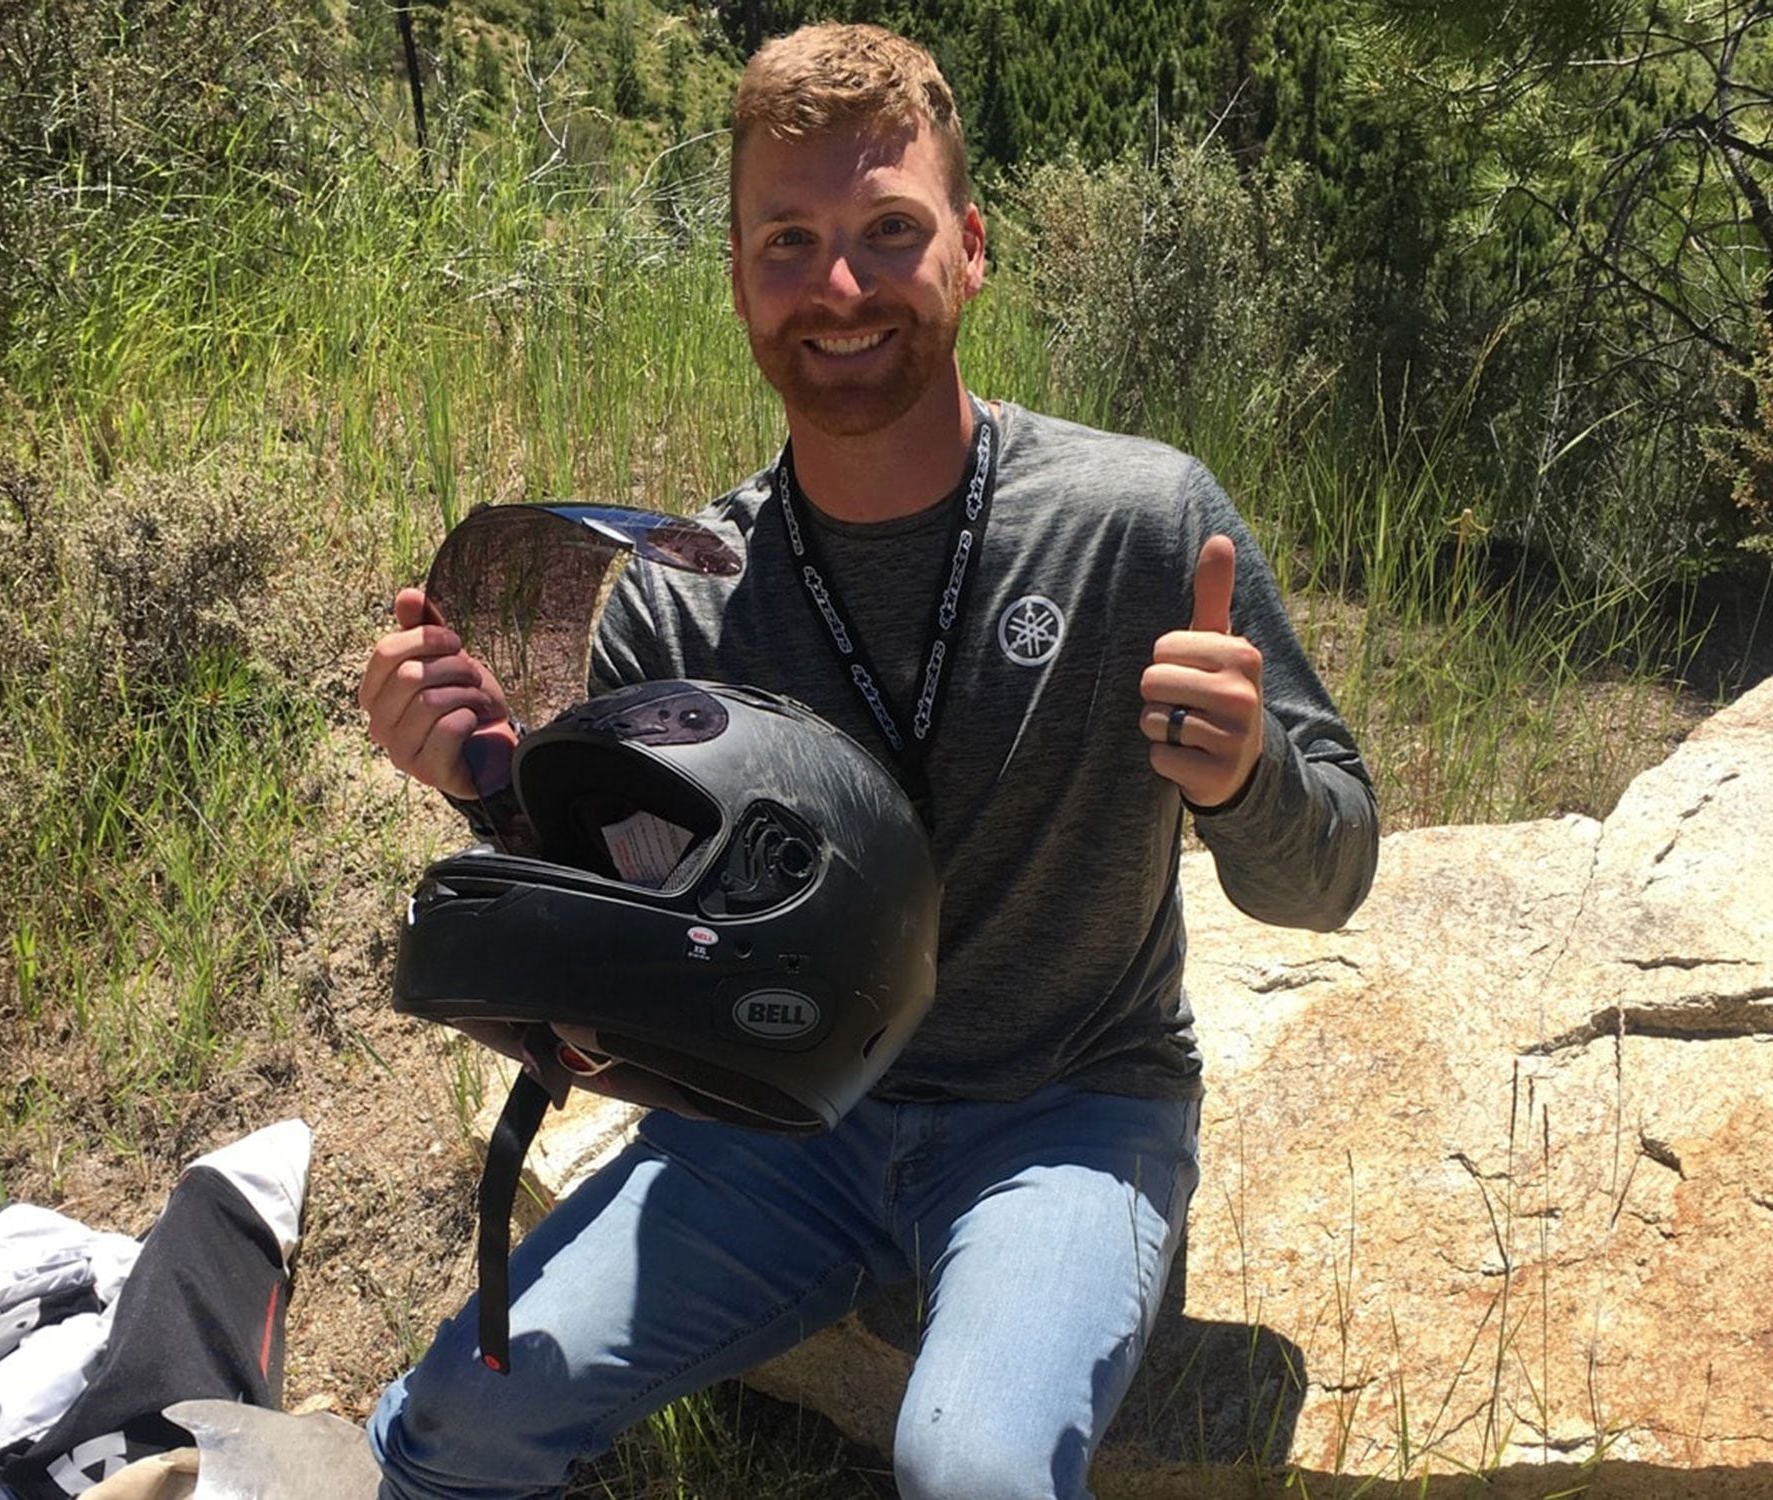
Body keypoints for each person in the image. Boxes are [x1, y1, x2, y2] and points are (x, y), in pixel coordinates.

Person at [357, 22, 1377, 1500]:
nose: (839, 287)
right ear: (735, 276)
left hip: (1070, 1110)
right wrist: (488, 788)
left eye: (888, 231)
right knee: (456, 1424)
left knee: (971, 1470)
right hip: (773, 1115)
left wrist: (1246, 780)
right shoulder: (683, 594)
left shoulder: (1136, 524)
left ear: (970, 249)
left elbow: (1330, 871)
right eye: (790, 240)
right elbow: (626, 960)